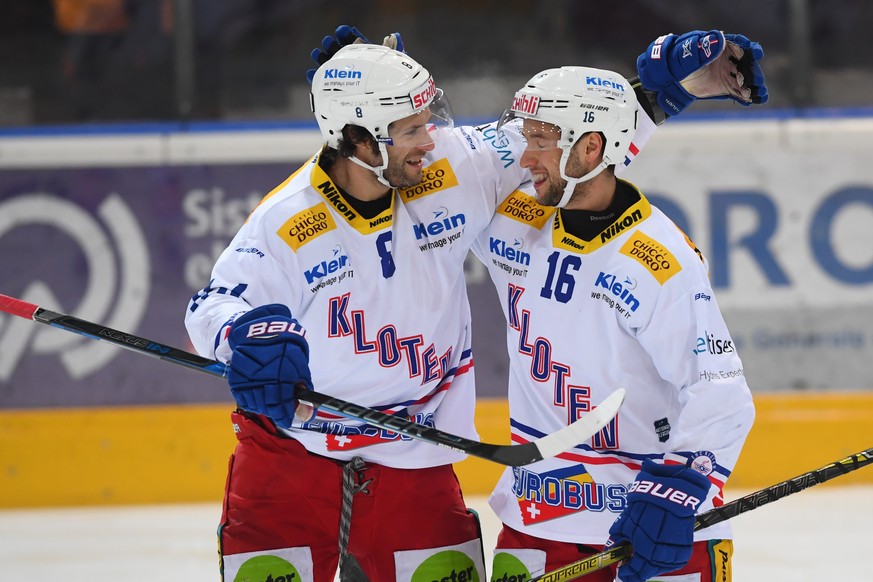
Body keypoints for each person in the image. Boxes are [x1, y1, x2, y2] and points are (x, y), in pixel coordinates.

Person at [184, 27, 766, 582]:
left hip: (414, 448)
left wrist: (667, 91)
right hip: (292, 449)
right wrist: (242, 338)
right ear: (359, 141)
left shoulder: (455, 167)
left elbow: (577, 138)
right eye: (409, 129)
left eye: (426, 121)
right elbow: (216, 304)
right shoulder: (287, 220)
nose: (430, 140)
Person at [474, 33, 761, 582]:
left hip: (650, 531)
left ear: (589, 149)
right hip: (539, 523)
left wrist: (682, 481)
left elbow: (720, 389)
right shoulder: (510, 219)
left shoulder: (657, 260)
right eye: (525, 137)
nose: (523, 156)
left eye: (541, 141)